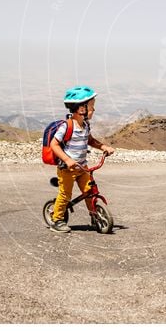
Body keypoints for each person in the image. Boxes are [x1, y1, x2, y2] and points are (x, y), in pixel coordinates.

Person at [49, 85, 114, 233]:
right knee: (65, 194)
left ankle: (95, 215)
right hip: (68, 169)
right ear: (81, 109)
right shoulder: (67, 126)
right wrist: (67, 160)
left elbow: (90, 140)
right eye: (92, 106)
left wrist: (103, 147)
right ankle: (57, 219)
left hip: (83, 168)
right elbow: (54, 144)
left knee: (89, 191)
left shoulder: (85, 125)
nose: (94, 110)